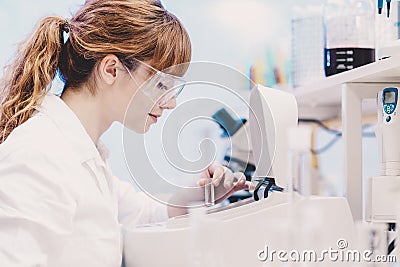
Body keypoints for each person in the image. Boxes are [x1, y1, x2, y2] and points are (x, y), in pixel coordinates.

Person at [0, 0, 249, 266]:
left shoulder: (84, 153)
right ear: (111, 70)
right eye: (162, 83)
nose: (171, 102)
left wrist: (197, 196)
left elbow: (139, 215)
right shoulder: (40, 156)